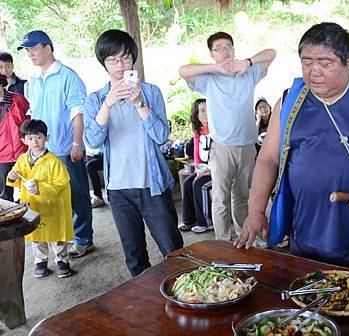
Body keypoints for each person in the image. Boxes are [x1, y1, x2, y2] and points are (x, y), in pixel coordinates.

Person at [235, 22, 349, 273]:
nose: (314, 72)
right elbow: (268, 158)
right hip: (304, 228)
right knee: (305, 297)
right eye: (306, 62)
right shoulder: (290, 99)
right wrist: (256, 210)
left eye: (325, 63)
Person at [84, 29, 183, 277]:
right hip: (118, 190)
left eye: (125, 58)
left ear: (133, 60)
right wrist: (108, 104)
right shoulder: (96, 100)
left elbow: (161, 136)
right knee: (135, 256)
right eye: (112, 60)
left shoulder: (150, 92)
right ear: (103, 63)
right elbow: (93, 142)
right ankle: (146, 307)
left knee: (174, 251)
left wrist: (140, 103)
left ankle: (187, 300)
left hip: (152, 185)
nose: (120, 65)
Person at [179, 32, 276, 242]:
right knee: (220, 200)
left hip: (247, 146)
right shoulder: (208, 78)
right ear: (211, 54)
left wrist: (247, 62)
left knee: (242, 197)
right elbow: (183, 71)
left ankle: (245, 236)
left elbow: (272, 53)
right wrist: (215, 67)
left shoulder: (248, 72)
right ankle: (222, 241)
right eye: (219, 48)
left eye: (228, 46)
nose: (225, 51)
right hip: (222, 147)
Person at [18, 30, 94, 258]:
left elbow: (77, 112)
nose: (30, 54)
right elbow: (33, 116)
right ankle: (59, 243)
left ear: (48, 48)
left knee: (77, 194)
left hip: (64, 148)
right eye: (27, 50)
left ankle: (83, 239)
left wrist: (77, 143)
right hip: (41, 151)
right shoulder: (34, 81)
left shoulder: (68, 76)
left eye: (33, 48)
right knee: (50, 197)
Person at [6, 119, 74, 278]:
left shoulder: (53, 161)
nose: (35, 142)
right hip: (33, 204)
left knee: (56, 234)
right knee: (37, 234)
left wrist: (41, 188)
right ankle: (40, 262)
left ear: (46, 137)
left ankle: (62, 261)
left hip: (53, 206)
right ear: (24, 140)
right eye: (30, 138)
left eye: (38, 137)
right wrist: (12, 176)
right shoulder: (22, 159)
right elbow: (17, 178)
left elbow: (62, 182)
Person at [178, 98, 213, 233]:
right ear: (196, 115)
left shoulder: (217, 128)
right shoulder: (198, 131)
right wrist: (199, 169)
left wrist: (209, 170)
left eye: (207, 110)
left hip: (218, 169)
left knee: (200, 185)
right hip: (205, 169)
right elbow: (197, 154)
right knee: (188, 183)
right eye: (202, 111)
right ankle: (188, 220)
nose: (206, 113)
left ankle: (205, 222)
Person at [0, 73, 29, 201]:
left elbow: (30, 120)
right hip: (2, 157)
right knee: (5, 195)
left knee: (30, 190)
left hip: (23, 152)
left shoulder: (18, 99)